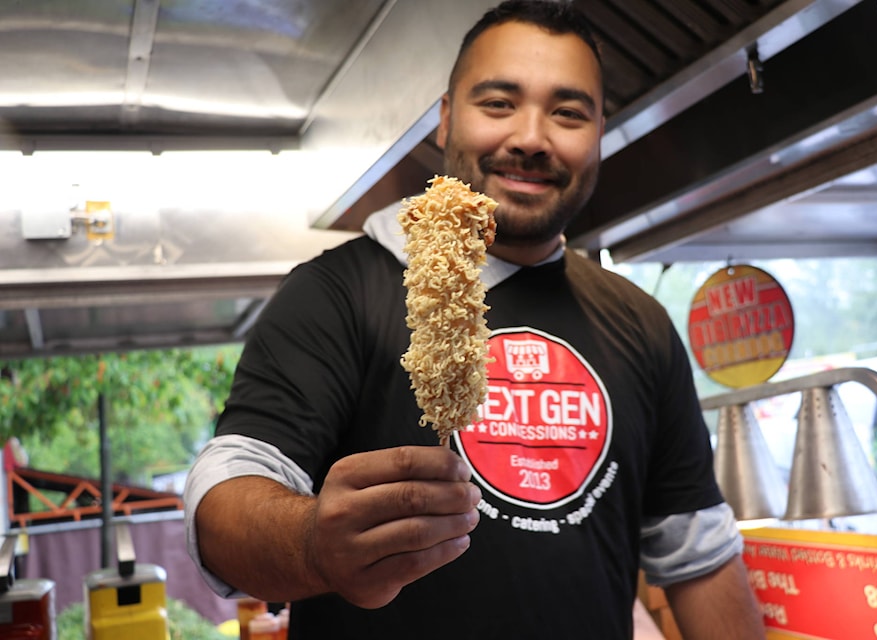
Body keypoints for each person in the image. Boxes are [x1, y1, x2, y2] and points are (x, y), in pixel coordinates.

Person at [184, 2, 766, 638]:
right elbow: (226, 496)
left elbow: (699, 555)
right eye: (498, 103)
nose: (531, 138)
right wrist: (311, 545)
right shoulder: (339, 290)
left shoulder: (641, 324)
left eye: (568, 113)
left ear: (600, 132)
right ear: (444, 119)